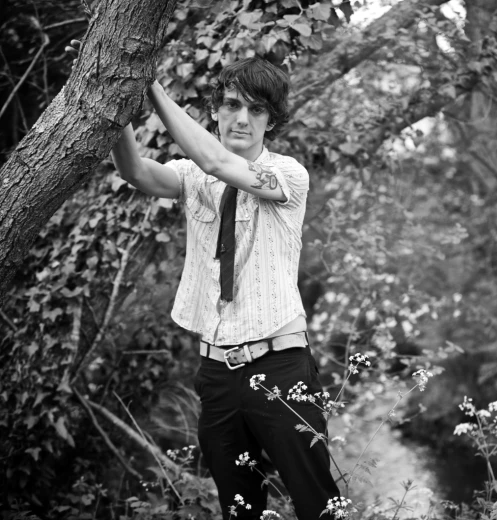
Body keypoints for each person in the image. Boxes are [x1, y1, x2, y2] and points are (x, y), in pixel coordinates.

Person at [67, 41, 340, 519]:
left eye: (256, 111)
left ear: (271, 122)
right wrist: (113, 90)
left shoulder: (287, 176)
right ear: (215, 110)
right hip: (216, 373)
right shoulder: (192, 175)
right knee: (239, 508)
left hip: (280, 367)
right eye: (232, 105)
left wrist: (147, 83)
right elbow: (135, 171)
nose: (242, 119)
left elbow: (219, 163)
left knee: (319, 506)